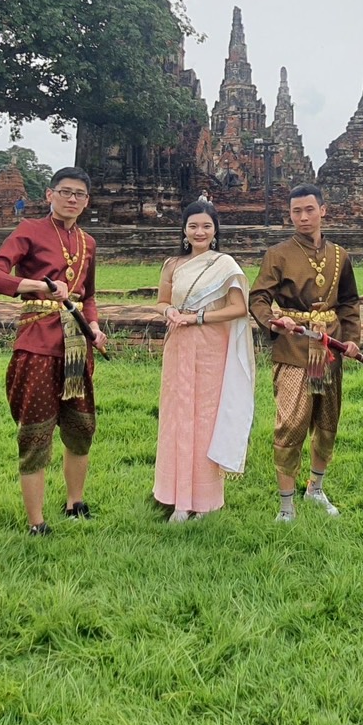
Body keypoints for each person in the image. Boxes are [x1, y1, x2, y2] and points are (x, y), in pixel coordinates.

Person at [0, 167, 109, 533]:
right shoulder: (29, 231)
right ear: (49, 194)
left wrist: (94, 326)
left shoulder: (88, 242)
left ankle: (75, 502)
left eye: (79, 194)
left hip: (76, 345)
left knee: (81, 427)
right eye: (65, 192)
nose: (72, 199)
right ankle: (36, 522)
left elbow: (89, 296)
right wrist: (36, 285)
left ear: (86, 201)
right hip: (37, 343)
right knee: (36, 430)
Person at [249, 184, 362, 522]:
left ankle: (315, 487)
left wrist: (353, 337)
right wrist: (274, 321)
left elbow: (348, 303)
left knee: (327, 424)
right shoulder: (278, 254)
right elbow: (257, 298)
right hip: (294, 348)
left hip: (329, 349)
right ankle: (286, 504)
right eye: (296, 211)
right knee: (291, 425)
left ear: (322, 210)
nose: (303, 217)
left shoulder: (341, 256)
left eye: (309, 210)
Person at [154, 202, 256, 521]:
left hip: (211, 346)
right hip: (178, 346)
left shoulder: (224, 264)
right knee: (178, 418)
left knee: (204, 419)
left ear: (215, 232)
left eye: (206, 227)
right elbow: (161, 302)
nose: (200, 232)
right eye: (194, 226)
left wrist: (199, 317)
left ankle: (205, 500)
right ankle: (177, 498)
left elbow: (239, 308)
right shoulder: (173, 264)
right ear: (184, 229)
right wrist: (169, 312)